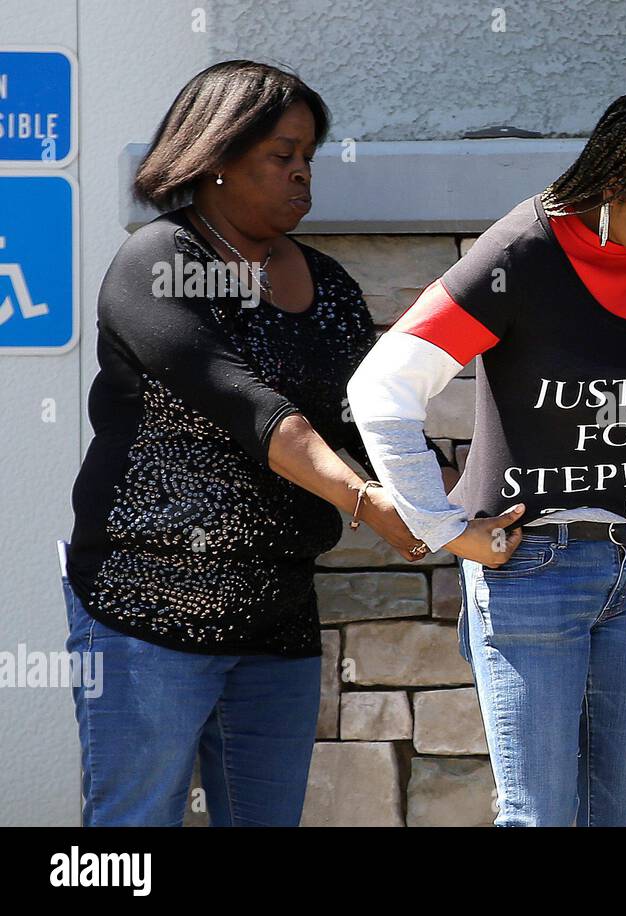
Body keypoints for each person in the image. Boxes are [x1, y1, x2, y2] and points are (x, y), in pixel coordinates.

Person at [348, 93, 626, 826]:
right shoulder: (523, 252)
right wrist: (443, 527)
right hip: (529, 574)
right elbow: (381, 387)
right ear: (612, 189)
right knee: (540, 817)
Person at [62, 60, 448, 826]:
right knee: (131, 832)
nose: (304, 175)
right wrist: (368, 504)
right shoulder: (160, 263)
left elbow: (365, 421)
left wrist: (447, 503)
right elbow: (253, 410)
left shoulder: (329, 285)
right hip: (149, 608)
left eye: (310, 157)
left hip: (276, 617)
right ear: (214, 160)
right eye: (283, 156)